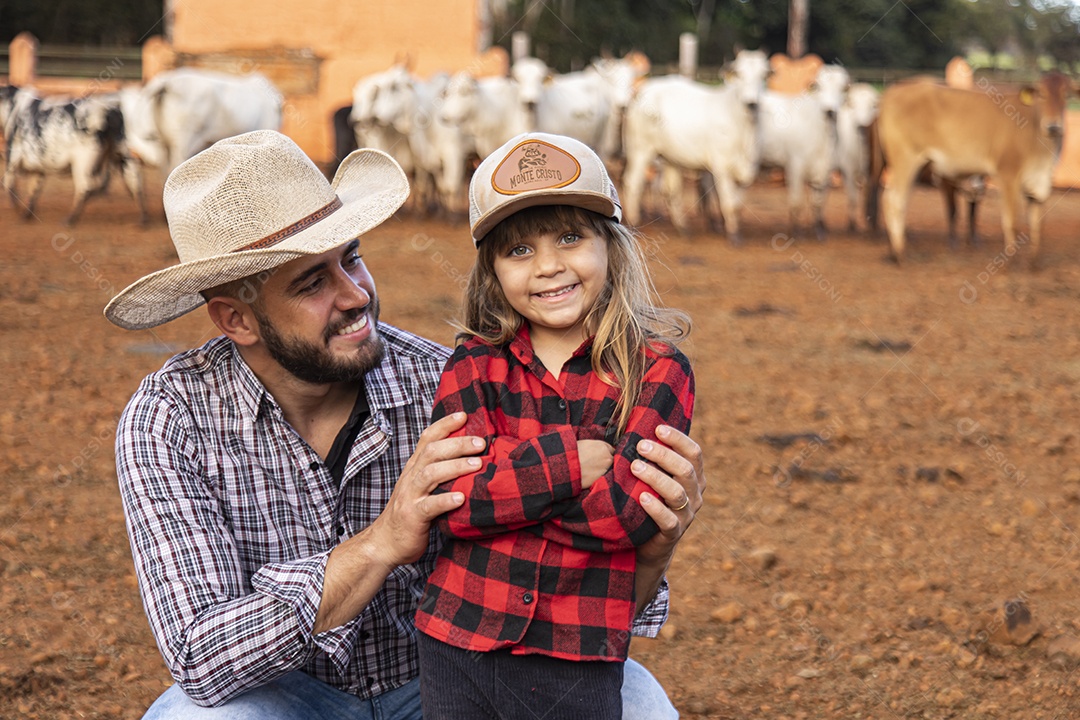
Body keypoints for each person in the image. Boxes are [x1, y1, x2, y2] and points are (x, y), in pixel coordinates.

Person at [104, 130, 705, 719]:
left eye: (352, 259)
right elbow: (199, 654)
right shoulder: (169, 422)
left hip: (452, 669)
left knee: (640, 703)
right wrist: (379, 544)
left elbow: (587, 577)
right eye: (313, 283)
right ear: (236, 318)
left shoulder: (437, 377)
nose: (355, 295)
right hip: (292, 695)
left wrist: (653, 550)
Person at [413, 132, 694, 719]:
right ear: (491, 269)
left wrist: (506, 481)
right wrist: (574, 463)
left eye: (570, 237)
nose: (548, 266)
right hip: (456, 637)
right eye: (518, 250)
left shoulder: (658, 370)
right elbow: (455, 506)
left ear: (610, 247)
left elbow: (627, 513)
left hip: (578, 647)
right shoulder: (473, 364)